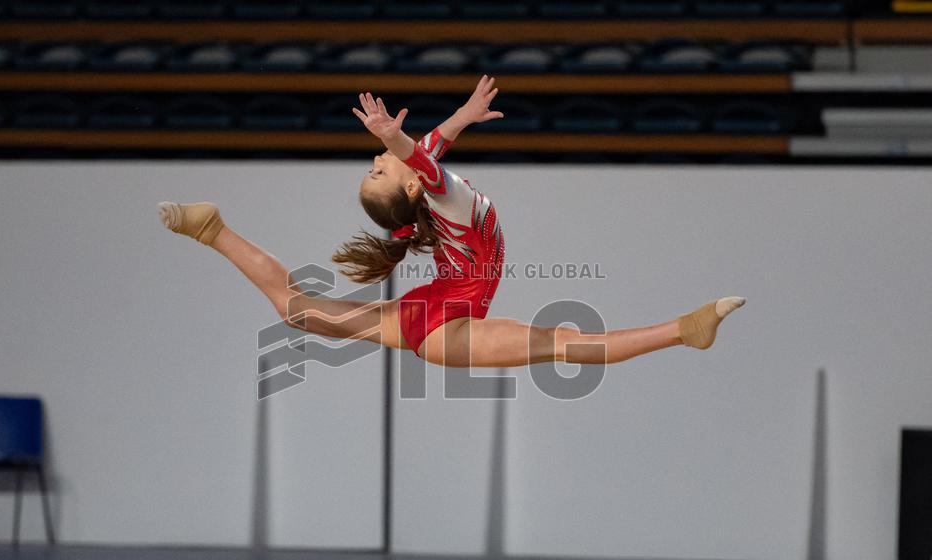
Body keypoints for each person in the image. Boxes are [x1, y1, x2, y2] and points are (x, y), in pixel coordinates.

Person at [158, 76, 744, 369]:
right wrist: (395, 137)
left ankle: (213, 229)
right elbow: (424, 159)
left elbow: (428, 154)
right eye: (377, 169)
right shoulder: (439, 192)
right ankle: (683, 330)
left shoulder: (435, 192)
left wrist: (458, 119)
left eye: (373, 163)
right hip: (445, 324)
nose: (379, 160)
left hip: (432, 310)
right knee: (564, 345)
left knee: (297, 309)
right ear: (410, 184)